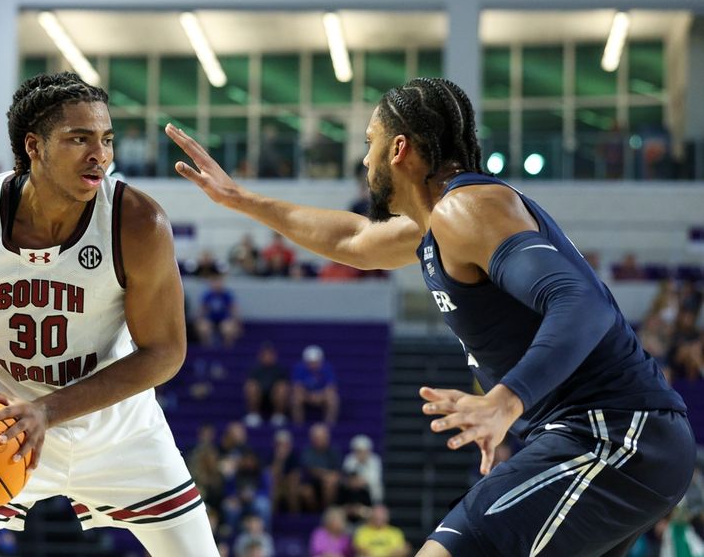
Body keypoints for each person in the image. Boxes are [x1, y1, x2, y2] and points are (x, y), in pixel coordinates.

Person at [165, 76, 695, 556]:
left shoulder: (468, 210)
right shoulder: (434, 225)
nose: (364, 160)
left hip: (615, 434)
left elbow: (583, 305)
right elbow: (351, 238)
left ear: (399, 149)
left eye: (369, 142)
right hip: (605, 437)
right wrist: (239, 199)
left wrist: (503, 402)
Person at [0, 72, 218, 556]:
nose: (100, 154)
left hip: (118, 437)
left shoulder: (138, 224)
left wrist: (46, 411)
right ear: (35, 147)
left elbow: (166, 352)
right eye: (78, 139)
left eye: (106, 139)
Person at [243, 341, 291, 427]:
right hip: (259, 397)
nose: (267, 357)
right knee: (251, 387)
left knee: (282, 388)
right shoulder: (255, 370)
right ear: (261, 357)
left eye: (270, 355)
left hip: (274, 398)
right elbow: (250, 384)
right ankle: (254, 415)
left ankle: (278, 415)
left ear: (274, 356)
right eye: (265, 355)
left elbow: (285, 386)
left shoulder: (280, 370)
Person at [291, 345, 340, 425]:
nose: (313, 364)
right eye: (310, 362)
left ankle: (329, 425)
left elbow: (331, 387)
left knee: (333, 398)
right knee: (296, 397)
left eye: (316, 362)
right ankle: (298, 425)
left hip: (322, 395)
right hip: (306, 395)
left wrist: (319, 396)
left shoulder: (327, 368)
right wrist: (309, 395)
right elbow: (297, 387)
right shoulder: (299, 368)